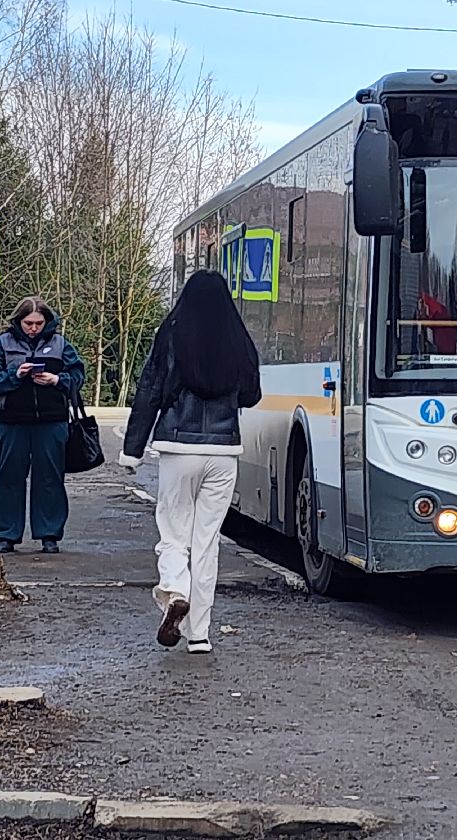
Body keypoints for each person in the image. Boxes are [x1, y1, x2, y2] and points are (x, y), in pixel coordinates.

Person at [119, 271, 260, 655]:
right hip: (223, 453)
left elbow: (149, 389)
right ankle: (199, 634)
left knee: (173, 532)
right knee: (207, 542)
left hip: (178, 449)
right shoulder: (237, 337)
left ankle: (175, 592)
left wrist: (132, 450)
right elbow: (251, 394)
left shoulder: (172, 332)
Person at [0, 298, 85, 555]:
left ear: (47, 322)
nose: (34, 328)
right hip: (12, 421)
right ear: (19, 321)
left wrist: (57, 380)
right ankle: (4, 535)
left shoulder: (61, 345)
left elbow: (78, 375)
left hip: (52, 420)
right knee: (9, 477)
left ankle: (50, 534)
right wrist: (14, 376)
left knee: (50, 477)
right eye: (29, 323)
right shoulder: (1, 345)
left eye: (39, 323)